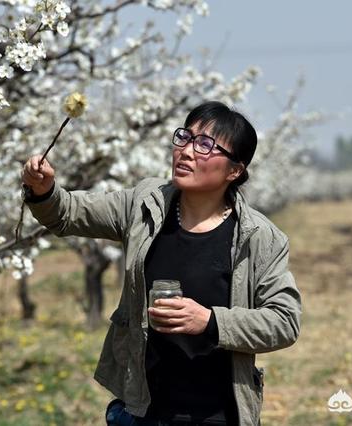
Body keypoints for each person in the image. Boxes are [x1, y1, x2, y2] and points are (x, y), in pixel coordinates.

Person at [20, 101, 302, 426]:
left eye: (206, 144)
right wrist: (44, 191)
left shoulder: (259, 238)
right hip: (142, 409)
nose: (187, 151)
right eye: (185, 137)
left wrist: (210, 322)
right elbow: (67, 213)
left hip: (216, 413)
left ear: (234, 170)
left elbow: (284, 322)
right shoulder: (145, 204)